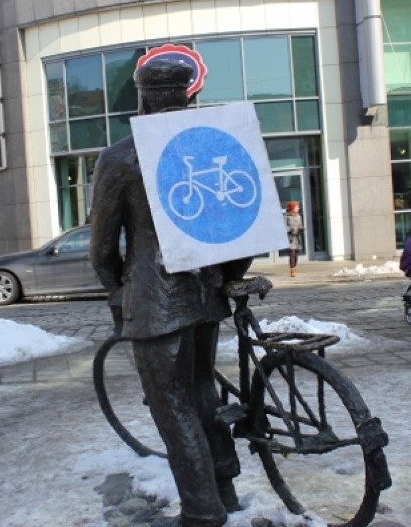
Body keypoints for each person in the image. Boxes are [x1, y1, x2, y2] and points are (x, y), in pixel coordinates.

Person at [90, 59, 250, 526]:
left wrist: (117, 289)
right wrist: (225, 278)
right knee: (203, 395)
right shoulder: (206, 145)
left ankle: (203, 513)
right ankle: (225, 493)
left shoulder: (121, 157)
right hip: (205, 297)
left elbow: (101, 247)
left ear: (142, 96)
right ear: (187, 95)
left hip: (156, 300)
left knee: (173, 406)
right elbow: (236, 228)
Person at [285, 200, 303, 277]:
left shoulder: (299, 216)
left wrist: (300, 229)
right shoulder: (287, 216)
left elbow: (300, 226)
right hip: (290, 238)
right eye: (296, 207)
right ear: (292, 207)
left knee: (296, 254)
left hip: (297, 238)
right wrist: (291, 229)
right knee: (292, 253)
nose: (298, 208)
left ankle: (295, 268)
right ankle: (292, 269)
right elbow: (284, 227)